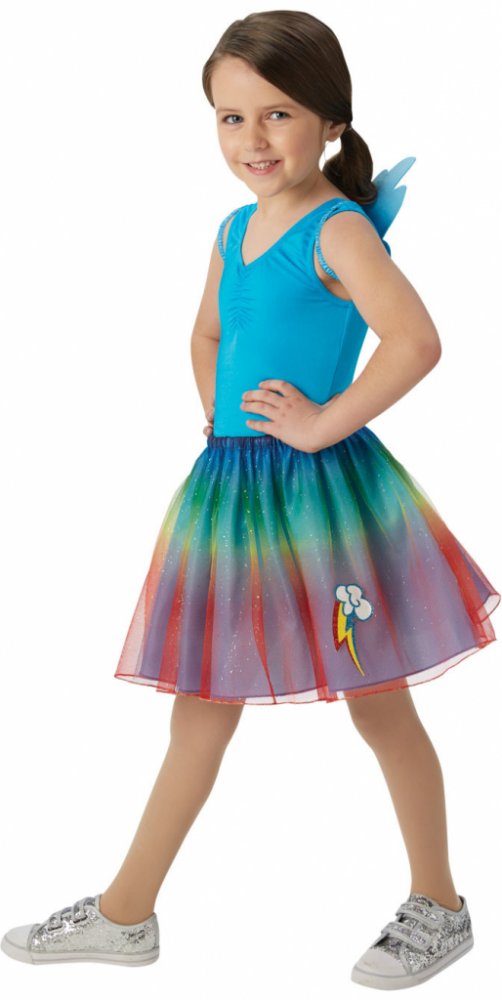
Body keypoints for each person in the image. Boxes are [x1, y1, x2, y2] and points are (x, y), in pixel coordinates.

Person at [2, 8, 500, 989]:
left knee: (376, 697)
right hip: (232, 499)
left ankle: (439, 903)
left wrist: (318, 425)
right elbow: (205, 335)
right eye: (231, 118)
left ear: (330, 123)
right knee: (199, 708)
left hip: (326, 508)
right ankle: (126, 913)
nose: (253, 140)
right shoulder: (233, 229)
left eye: (277, 114)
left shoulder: (338, 228)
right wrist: (223, 419)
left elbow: (415, 342)